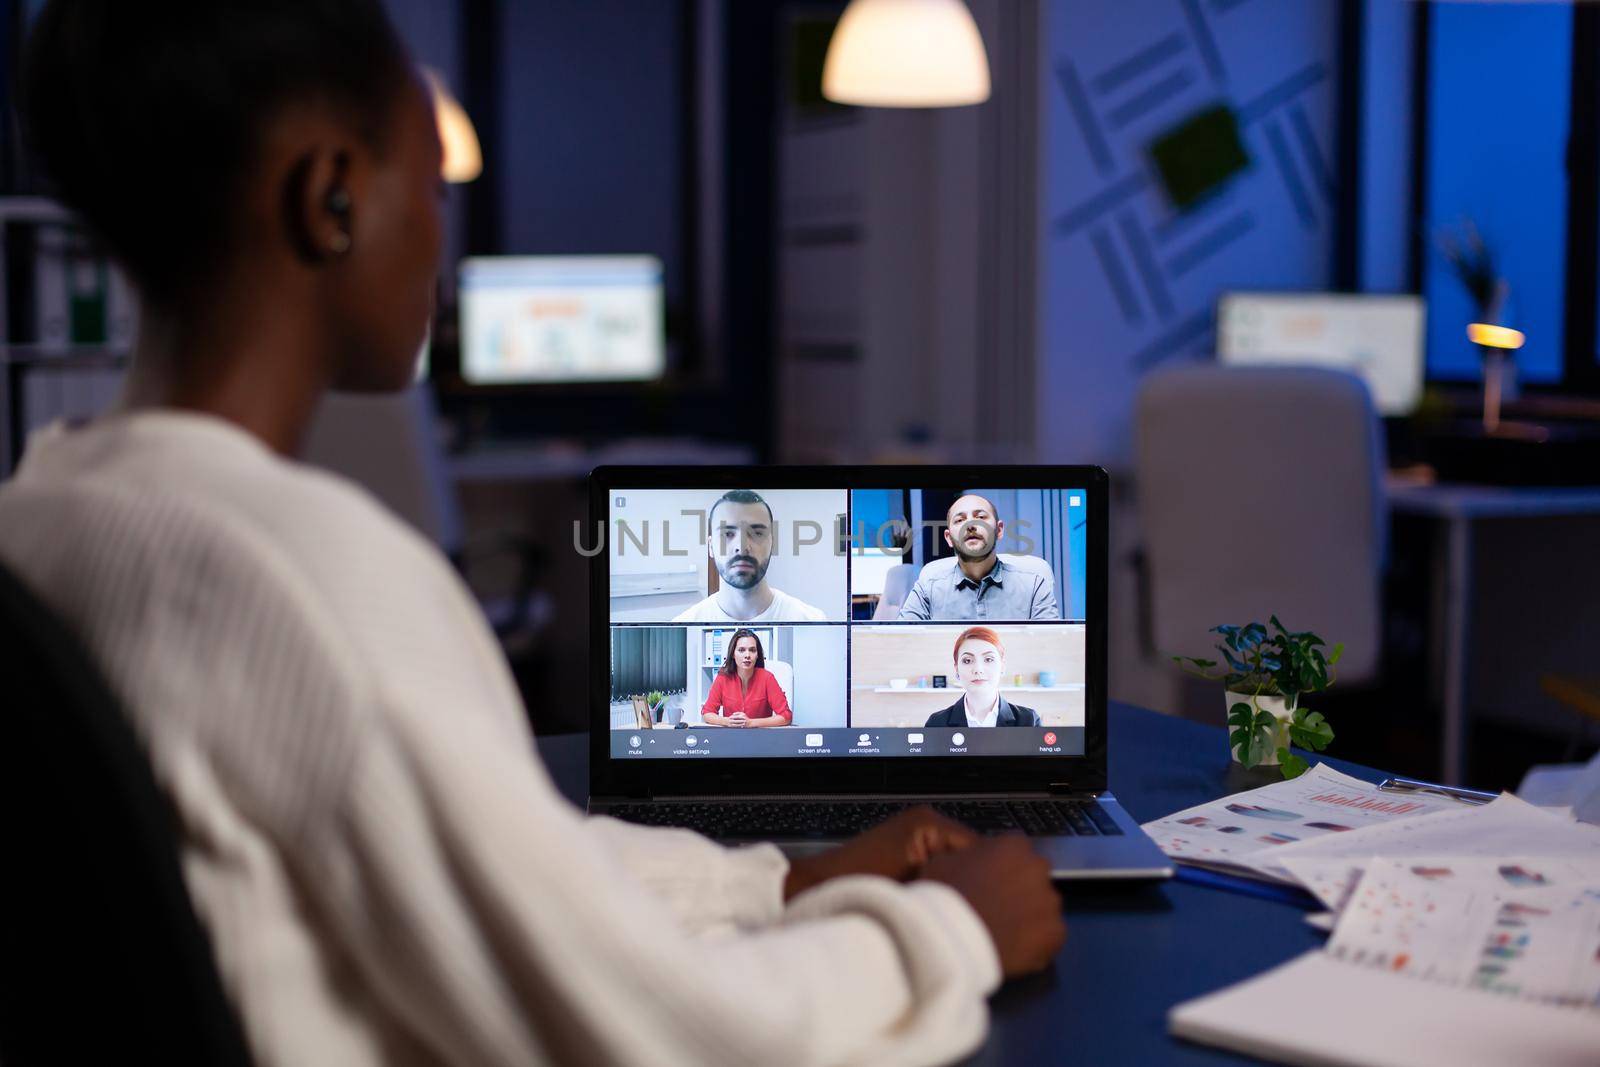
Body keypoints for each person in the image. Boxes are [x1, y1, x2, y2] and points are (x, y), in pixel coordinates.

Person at [0, 3, 1065, 1065]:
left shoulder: (42, 511)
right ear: (329, 194)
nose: (442, 234)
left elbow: (506, 869)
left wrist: (778, 881)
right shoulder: (309, 576)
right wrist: (951, 928)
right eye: (430, 185)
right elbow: (670, 1034)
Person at [672, 489, 829, 623]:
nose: (742, 547)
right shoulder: (683, 624)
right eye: (728, 533)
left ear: (772, 543)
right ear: (710, 547)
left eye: (757, 533)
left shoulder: (812, 620)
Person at [898, 493, 1060, 622]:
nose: (970, 525)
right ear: (948, 538)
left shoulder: (1034, 585)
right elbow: (902, 643)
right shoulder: (928, 588)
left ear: (999, 530)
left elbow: (1051, 647)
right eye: (960, 520)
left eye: (981, 517)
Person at [925, 628, 1042, 728]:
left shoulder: (1029, 721)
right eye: (967, 661)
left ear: (1002, 666)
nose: (978, 669)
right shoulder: (936, 723)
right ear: (956, 669)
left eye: (988, 659)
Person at [700, 629, 791, 727]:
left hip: (760, 737)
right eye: (741, 650)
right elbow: (707, 713)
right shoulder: (723, 677)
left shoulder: (767, 678)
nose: (747, 655)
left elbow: (786, 716)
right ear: (733, 654)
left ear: (757, 655)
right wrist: (727, 721)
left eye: (752, 650)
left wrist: (751, 723)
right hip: (731, 737)